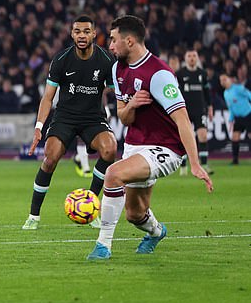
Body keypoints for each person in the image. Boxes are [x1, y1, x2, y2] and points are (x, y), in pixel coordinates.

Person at [87, 15, 213, 261]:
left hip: (165, 148)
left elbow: (182, 119)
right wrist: (132, 104)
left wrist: (195, 163)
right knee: (135, 214)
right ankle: (156, 232)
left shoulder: (159, 74)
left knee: (112, 174)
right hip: (135, 145)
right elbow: (124, 118)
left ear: (130, 41)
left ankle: (103, 246)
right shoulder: (117, 69)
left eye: (114, 40)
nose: (110, 46)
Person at [23, 15, 117, 230]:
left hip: (93, 118)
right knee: (50, 157)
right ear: (72, 34)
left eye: (86, 31)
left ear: (94, 34)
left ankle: (90, 205)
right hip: (65, 117)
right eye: (77, 31)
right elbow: (47, 97)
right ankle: (33, 216)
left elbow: (116, 92)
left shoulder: (106, 60)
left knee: (110, 149)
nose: (81, 35)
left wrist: (119, 108)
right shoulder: (61, 60)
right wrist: (39, 128)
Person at [176, 49, 214, 175]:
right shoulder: (180, 74)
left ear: (197, 58)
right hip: (184, 110)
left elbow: (207, 92)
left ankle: (204, 164)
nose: (192, 58)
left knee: (202, 136)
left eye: (194, 56)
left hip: (200, 109)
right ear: (185, 59)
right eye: (189, 56)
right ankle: (183, 166)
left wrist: (209, 107)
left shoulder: (202, 73)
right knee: (184, 136)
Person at [219, 74, 251, 165]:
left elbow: (249, 94)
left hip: (248, 115)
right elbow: (231, 108)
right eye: (221, 80)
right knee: (235, 138)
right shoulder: (225, 93)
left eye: (224, 79)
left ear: (230, 80)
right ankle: (235, 160)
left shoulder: (238, 88)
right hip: (238, 118)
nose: (223, 82)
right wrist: (230, 119)